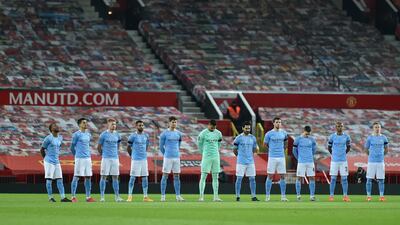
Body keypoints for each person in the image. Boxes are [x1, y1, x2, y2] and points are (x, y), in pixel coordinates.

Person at [40, 122, 71, 202]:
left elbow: (58, 148)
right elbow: (42, 149)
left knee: (60, 179)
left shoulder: (60, 137)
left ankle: (63, 197)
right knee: (49, 179)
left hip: (56, 161)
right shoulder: (48, 138)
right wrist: (45, 159)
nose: (56, 126)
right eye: (54, 126)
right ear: (51, 129)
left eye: (56, 125)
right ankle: (50, 198)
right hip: (49, 161)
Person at [127, 120, 153, 202]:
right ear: (136, 126)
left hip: (144, 159)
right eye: (139, 125)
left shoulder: (146, 136)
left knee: (145, 177)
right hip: (135, 159)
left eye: (142, 125)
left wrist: (143, 154)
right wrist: (132, 155)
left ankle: (145, 196)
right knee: (132, 177)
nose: (141, 126)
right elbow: (128, 147)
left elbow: (146, 146)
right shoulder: (132, 136)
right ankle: (130, 196)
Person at [70, 118, 96, 202]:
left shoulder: (88, 134)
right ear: (79, 124)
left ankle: (88, 197)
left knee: (88, 177)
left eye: (86, 122)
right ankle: (73, 196)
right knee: (76, 176)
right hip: (79, 158)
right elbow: (72, 147)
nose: (86, 124)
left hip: (87, 158)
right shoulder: (76, 135)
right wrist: (76, 156)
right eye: (84, 123)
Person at [98, 118, 123, 202]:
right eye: (112, 124)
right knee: (104, 176)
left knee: (115, 177)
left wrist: (116, 153)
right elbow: (99, 147)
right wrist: (103, 155)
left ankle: (117, 196)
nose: (114, 126)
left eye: (115, 124)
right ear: (108, 125)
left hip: (115, 158)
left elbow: (118, 145)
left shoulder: (118, 135)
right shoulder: (103, 135)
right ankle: (102, 196)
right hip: (106, 158)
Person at [263, 117, 289, 202]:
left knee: (282, 176)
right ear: (273, 123)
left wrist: (283, 148)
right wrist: (272, 149)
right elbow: (265, 144)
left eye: (280, 122)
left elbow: (286, 141)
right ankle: (267, 196)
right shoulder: (269, 134)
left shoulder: (284, 133)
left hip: (281, 157)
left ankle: (283, 196)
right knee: (270, 176)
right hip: (272, 157)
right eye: (277, 122)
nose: (278, 123)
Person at [159, 116, 184, 202]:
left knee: (177, 176)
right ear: (169, 123)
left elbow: (179, 143)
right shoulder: (164, 134)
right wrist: (165, 154)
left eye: (175, 122)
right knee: (165, 176)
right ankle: (163, 196)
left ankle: (178, 196)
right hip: (168, 158)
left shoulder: (179, 134)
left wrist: (176, 152)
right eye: (172, 122)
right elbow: (161, 147)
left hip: (176, 157)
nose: (174, 124)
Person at [233, 121, 259, 201]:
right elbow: (234, 149)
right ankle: (237, 196)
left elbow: (255, 148)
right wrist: (239, 156)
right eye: (246, 128)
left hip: (250, 161)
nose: (248, 130)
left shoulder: (253, 138)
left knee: (252, 178)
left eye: (249, 128)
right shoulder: (238, 138)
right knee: (239, 178)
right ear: (243, 128)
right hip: (241, 161)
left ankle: (253, 196)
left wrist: (253, 153)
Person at [197, 120, 223, 202]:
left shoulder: (218, 133)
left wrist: (216, 151)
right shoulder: (203, 133)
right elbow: (199, 144)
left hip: (215, 156)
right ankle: (201, 196)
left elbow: (219, 144)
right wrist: (203, 153)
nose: (213, 128)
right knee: (203, 176)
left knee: (215, 176)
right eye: (212, 126)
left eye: (214, 127)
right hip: (206, 157)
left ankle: (216, 197)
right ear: (208, 125)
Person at [364, 122, 389, 202]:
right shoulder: (370, 138)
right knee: (369, 179)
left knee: (381, 180)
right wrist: (371, 155)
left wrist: (381, 155)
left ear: (380, 128)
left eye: (378, 127)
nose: (377, 129)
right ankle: (368, 196)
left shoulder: (384, 138)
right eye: (376, 127)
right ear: (373, 128)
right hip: (371, 162)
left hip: (380, 162)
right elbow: (366, 149)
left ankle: (381, 196)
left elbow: (386, 149)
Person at [328, 121, 351, 202]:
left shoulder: (347, 137)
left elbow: (348, 147)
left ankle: (345, 196)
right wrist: (334, 154)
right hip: (334, 161)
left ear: (343, 127)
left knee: (344, 179)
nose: (339, 127)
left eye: (341, 126)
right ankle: (331, 196)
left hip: (343, 161)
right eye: (338, 126)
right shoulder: (332, 137)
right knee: (333, 178)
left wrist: (343, 154)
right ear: (336, 127)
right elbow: (329, 148)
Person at [293, 125, 317, 201]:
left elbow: (314, 150)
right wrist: (299, 158)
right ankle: (298, 196)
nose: (308, 135)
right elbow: (294, 151)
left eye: (309, 133)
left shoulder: (312, 140)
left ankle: (312, 196)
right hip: (301, 162)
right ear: (303, 131)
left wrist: (310, 156)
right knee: (299, 178)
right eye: (306, 133)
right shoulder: (298, 139)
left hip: (310, 161)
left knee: (312, 177)